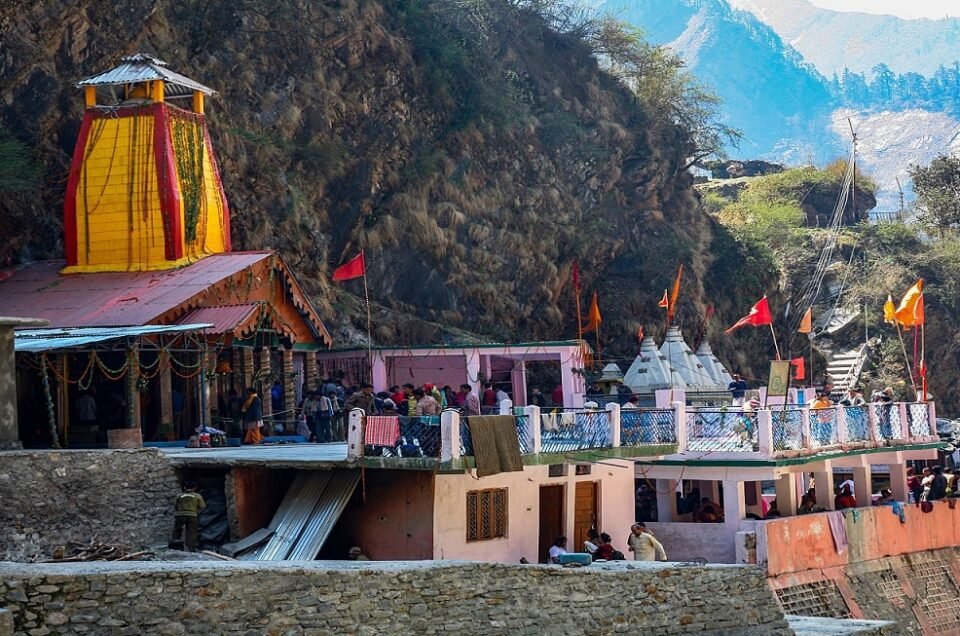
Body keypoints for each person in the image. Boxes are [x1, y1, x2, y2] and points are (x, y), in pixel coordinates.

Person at [170, 481, 206, 552]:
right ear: (194, 488)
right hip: (192, 516)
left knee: (177, 530)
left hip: (180, 515)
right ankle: (191, 548)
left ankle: (175, 546)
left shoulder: (179, 496)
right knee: (192, 532)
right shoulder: (197, 496)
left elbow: (176, 506)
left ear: (184, 488)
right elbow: (202, 506)